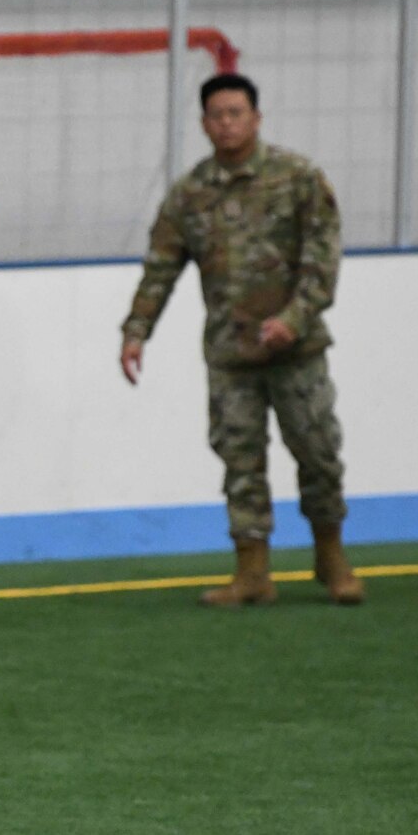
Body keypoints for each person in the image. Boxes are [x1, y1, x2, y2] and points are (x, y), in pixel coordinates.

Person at [120, 72, 361, 607]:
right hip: (231, 354)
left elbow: (323, 259)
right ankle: (252, 571)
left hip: (296, 351)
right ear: (204, 123)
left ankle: (332, 556)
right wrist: (136, 331)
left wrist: (293, 320)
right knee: (240, 461)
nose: (227, 123)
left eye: (236, 113)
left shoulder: (298, 178)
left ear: (256, 117)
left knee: (319, 452)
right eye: (216, 115)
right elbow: (160, 268)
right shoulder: (190, 194)